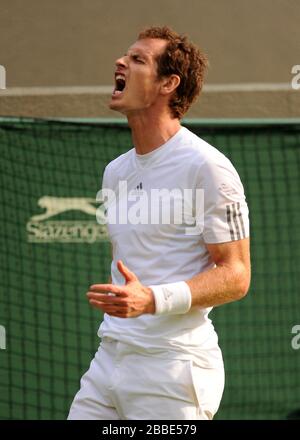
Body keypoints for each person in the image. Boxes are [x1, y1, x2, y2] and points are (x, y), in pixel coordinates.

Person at [68, 25, 251, 420]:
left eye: (138, 60)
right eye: (125, 56)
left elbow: (236, 275)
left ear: (169, 83)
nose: (121, 62)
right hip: (109, 360)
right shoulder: (114, 172)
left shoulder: (208, 167)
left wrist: (152, 300)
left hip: (173, 368)